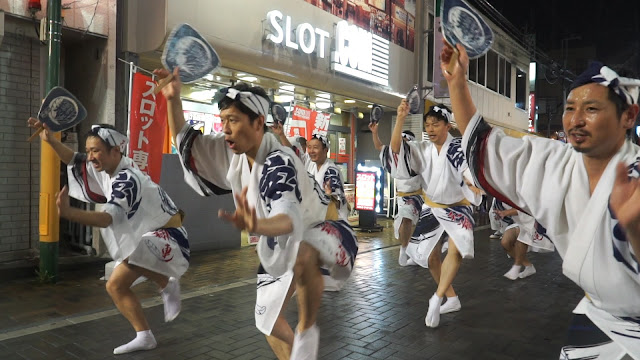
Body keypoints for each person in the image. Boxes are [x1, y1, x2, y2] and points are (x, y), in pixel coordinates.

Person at [442, 42, 640, 358]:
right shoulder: (557, 162)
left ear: (628, 116)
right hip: (597, 318)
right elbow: (489, 147)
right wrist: (457, 83)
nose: (575, 120)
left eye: (591, 109)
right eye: (570, 108)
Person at [155, 67, 357, 360]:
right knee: (267, 321)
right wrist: (173, 99)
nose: (225, 128)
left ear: (258, 122)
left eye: (233, 120)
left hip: (325, 231)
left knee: (303, 254)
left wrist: (257, 224)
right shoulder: (234, 151)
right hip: (280, 243)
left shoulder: (278, 161)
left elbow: (288, 217)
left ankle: (306, 330)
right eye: (223, 120)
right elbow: (191, 148)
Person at [27, 120, 190, 355]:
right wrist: (51, 140)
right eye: (90, 150)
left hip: (170, 238)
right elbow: (74, 160)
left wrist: (71, 213)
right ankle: (147, 328)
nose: (91, 157)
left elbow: (107, 219)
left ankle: (164, 288)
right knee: (116, 286)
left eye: (97, 151)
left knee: (117, 279)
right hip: (148, 235)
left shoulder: (127, 180)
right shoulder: (108, 167)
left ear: (116, 151)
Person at [383, 102, 483, 328]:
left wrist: (470, 180)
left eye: (435, 124)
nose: (430, 129)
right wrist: (400, 118)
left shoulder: (456, 146)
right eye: (427, 125)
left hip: (459, 207)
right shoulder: (422, 149)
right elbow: (397, 151)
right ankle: (452, 298)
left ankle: (436, 298)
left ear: (447, 125)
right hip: (432, 206)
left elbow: (464, 166)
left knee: (456, 251)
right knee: (431, 259)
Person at [370, 123, 423, 266]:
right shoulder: (392, 156)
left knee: (407, 220)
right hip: (401, 196)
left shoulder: (417, 155)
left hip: (416, 195)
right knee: (404, 226)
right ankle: (409, 248)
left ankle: (404, 250)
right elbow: (379, 147)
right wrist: (375, 132)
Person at [497, 207, 555, 280]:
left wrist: (506, 212)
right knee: (505, 243)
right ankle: (528, 266)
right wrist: (501, 214)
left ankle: (517, 266)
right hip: (516, 221)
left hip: (531, 221)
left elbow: (528, 207)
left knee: (522, 234)